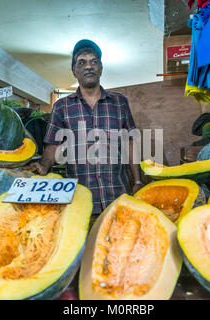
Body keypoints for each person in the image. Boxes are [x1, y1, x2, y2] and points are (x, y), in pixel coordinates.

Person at [27, 39, 144, 214]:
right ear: (74, 71)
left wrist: (137, 181)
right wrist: (44, 166)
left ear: (101, 68)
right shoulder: (62, 106)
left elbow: (130, 143)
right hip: (80, 202)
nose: (88, 66)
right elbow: (53, 145)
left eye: (94, 62)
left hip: (117, 197)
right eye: (82, 62)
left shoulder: (119, 102)